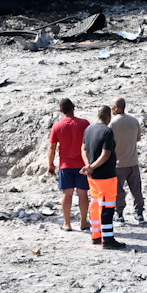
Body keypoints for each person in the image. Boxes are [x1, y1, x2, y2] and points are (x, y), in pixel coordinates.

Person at [83, 105, 124, 249]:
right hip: (106, 176)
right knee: (107, 206)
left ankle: (96, 235)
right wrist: (92, 166)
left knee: (94, 204)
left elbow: (83, 149)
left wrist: (88, 165)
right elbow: (106, 154)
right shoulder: (107, 131)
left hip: (92, 177)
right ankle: (108, 239)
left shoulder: (89, 129)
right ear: (109, 116)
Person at [46, 99, 89, 231]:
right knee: (83, 194)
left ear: (61, 111)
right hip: (82, 164)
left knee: (67, 194)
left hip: (66, 165)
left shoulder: (57, 126)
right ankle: (83, 222)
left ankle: (67, 223)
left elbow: (52, 148)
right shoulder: (84, 123)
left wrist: (51, 164)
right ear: (74, 107)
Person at [109, 96, 146, 224]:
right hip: (133, 161)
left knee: (119, 190)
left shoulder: (112, 123)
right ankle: (139, 213)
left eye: (112, 106)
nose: (111, 109)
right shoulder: (134, 120)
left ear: (117, 108)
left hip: (119, 163)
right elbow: (138, 138)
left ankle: (119, 213)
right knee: (136, 189)